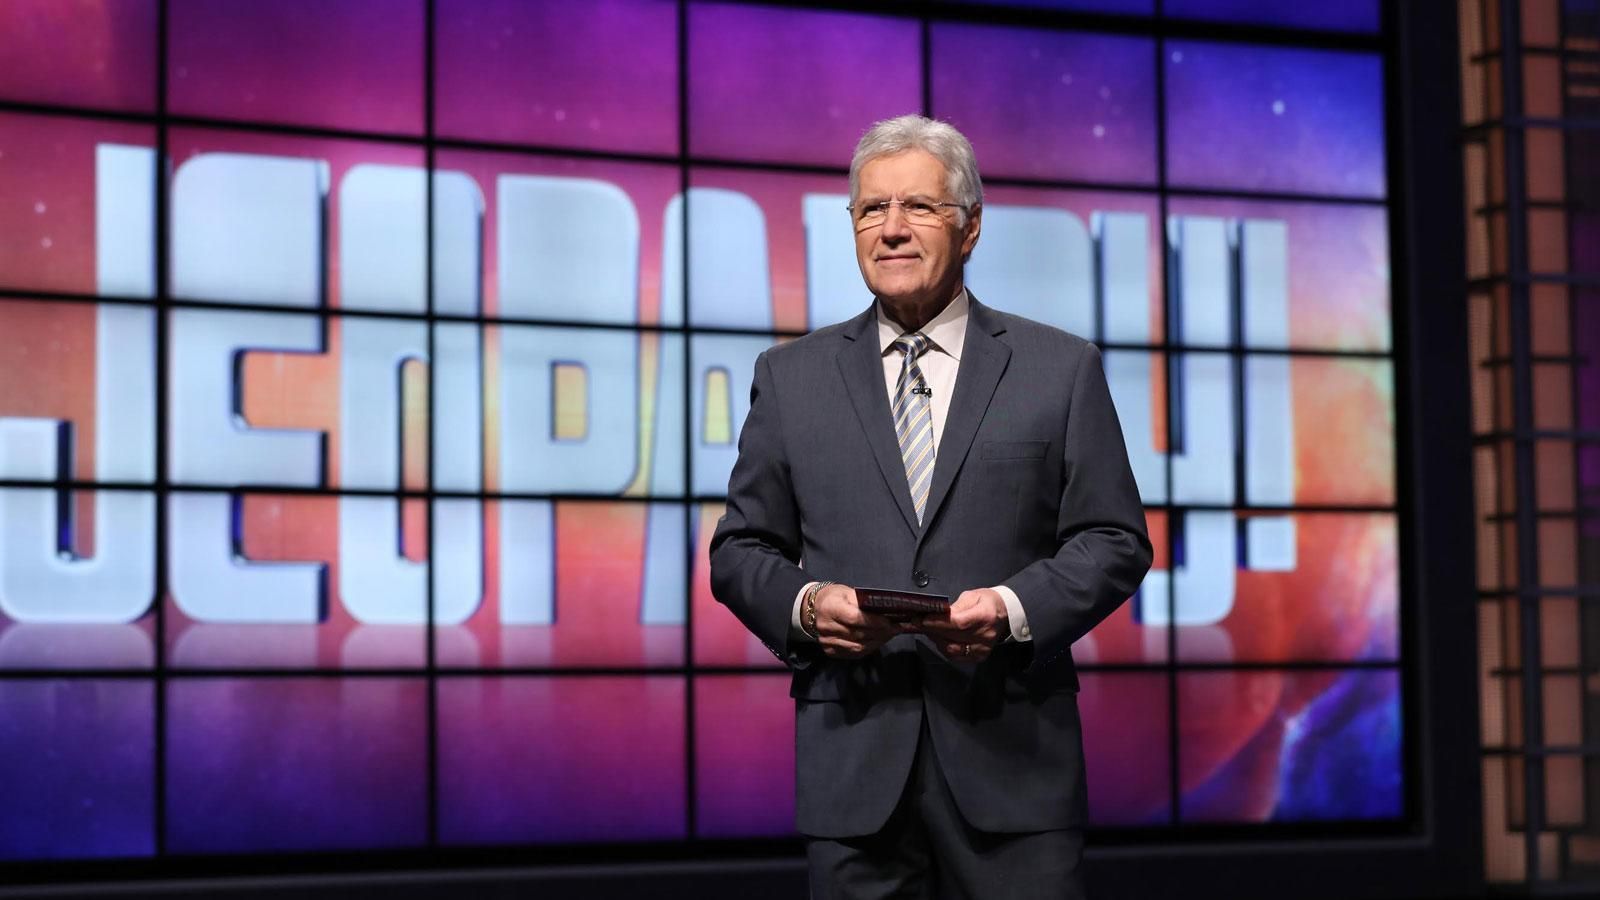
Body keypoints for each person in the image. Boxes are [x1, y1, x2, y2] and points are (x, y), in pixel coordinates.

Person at [708, 114, 1152, 899]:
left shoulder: (1059, 369)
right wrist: (809, 607)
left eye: (918, 207)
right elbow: (739, 550)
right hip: (854, 769)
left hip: (1015, 767)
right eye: (872, 210)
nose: (892, 230)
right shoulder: (791, 377)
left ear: (970, 226)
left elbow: (1113, 537)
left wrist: (1016, 608)